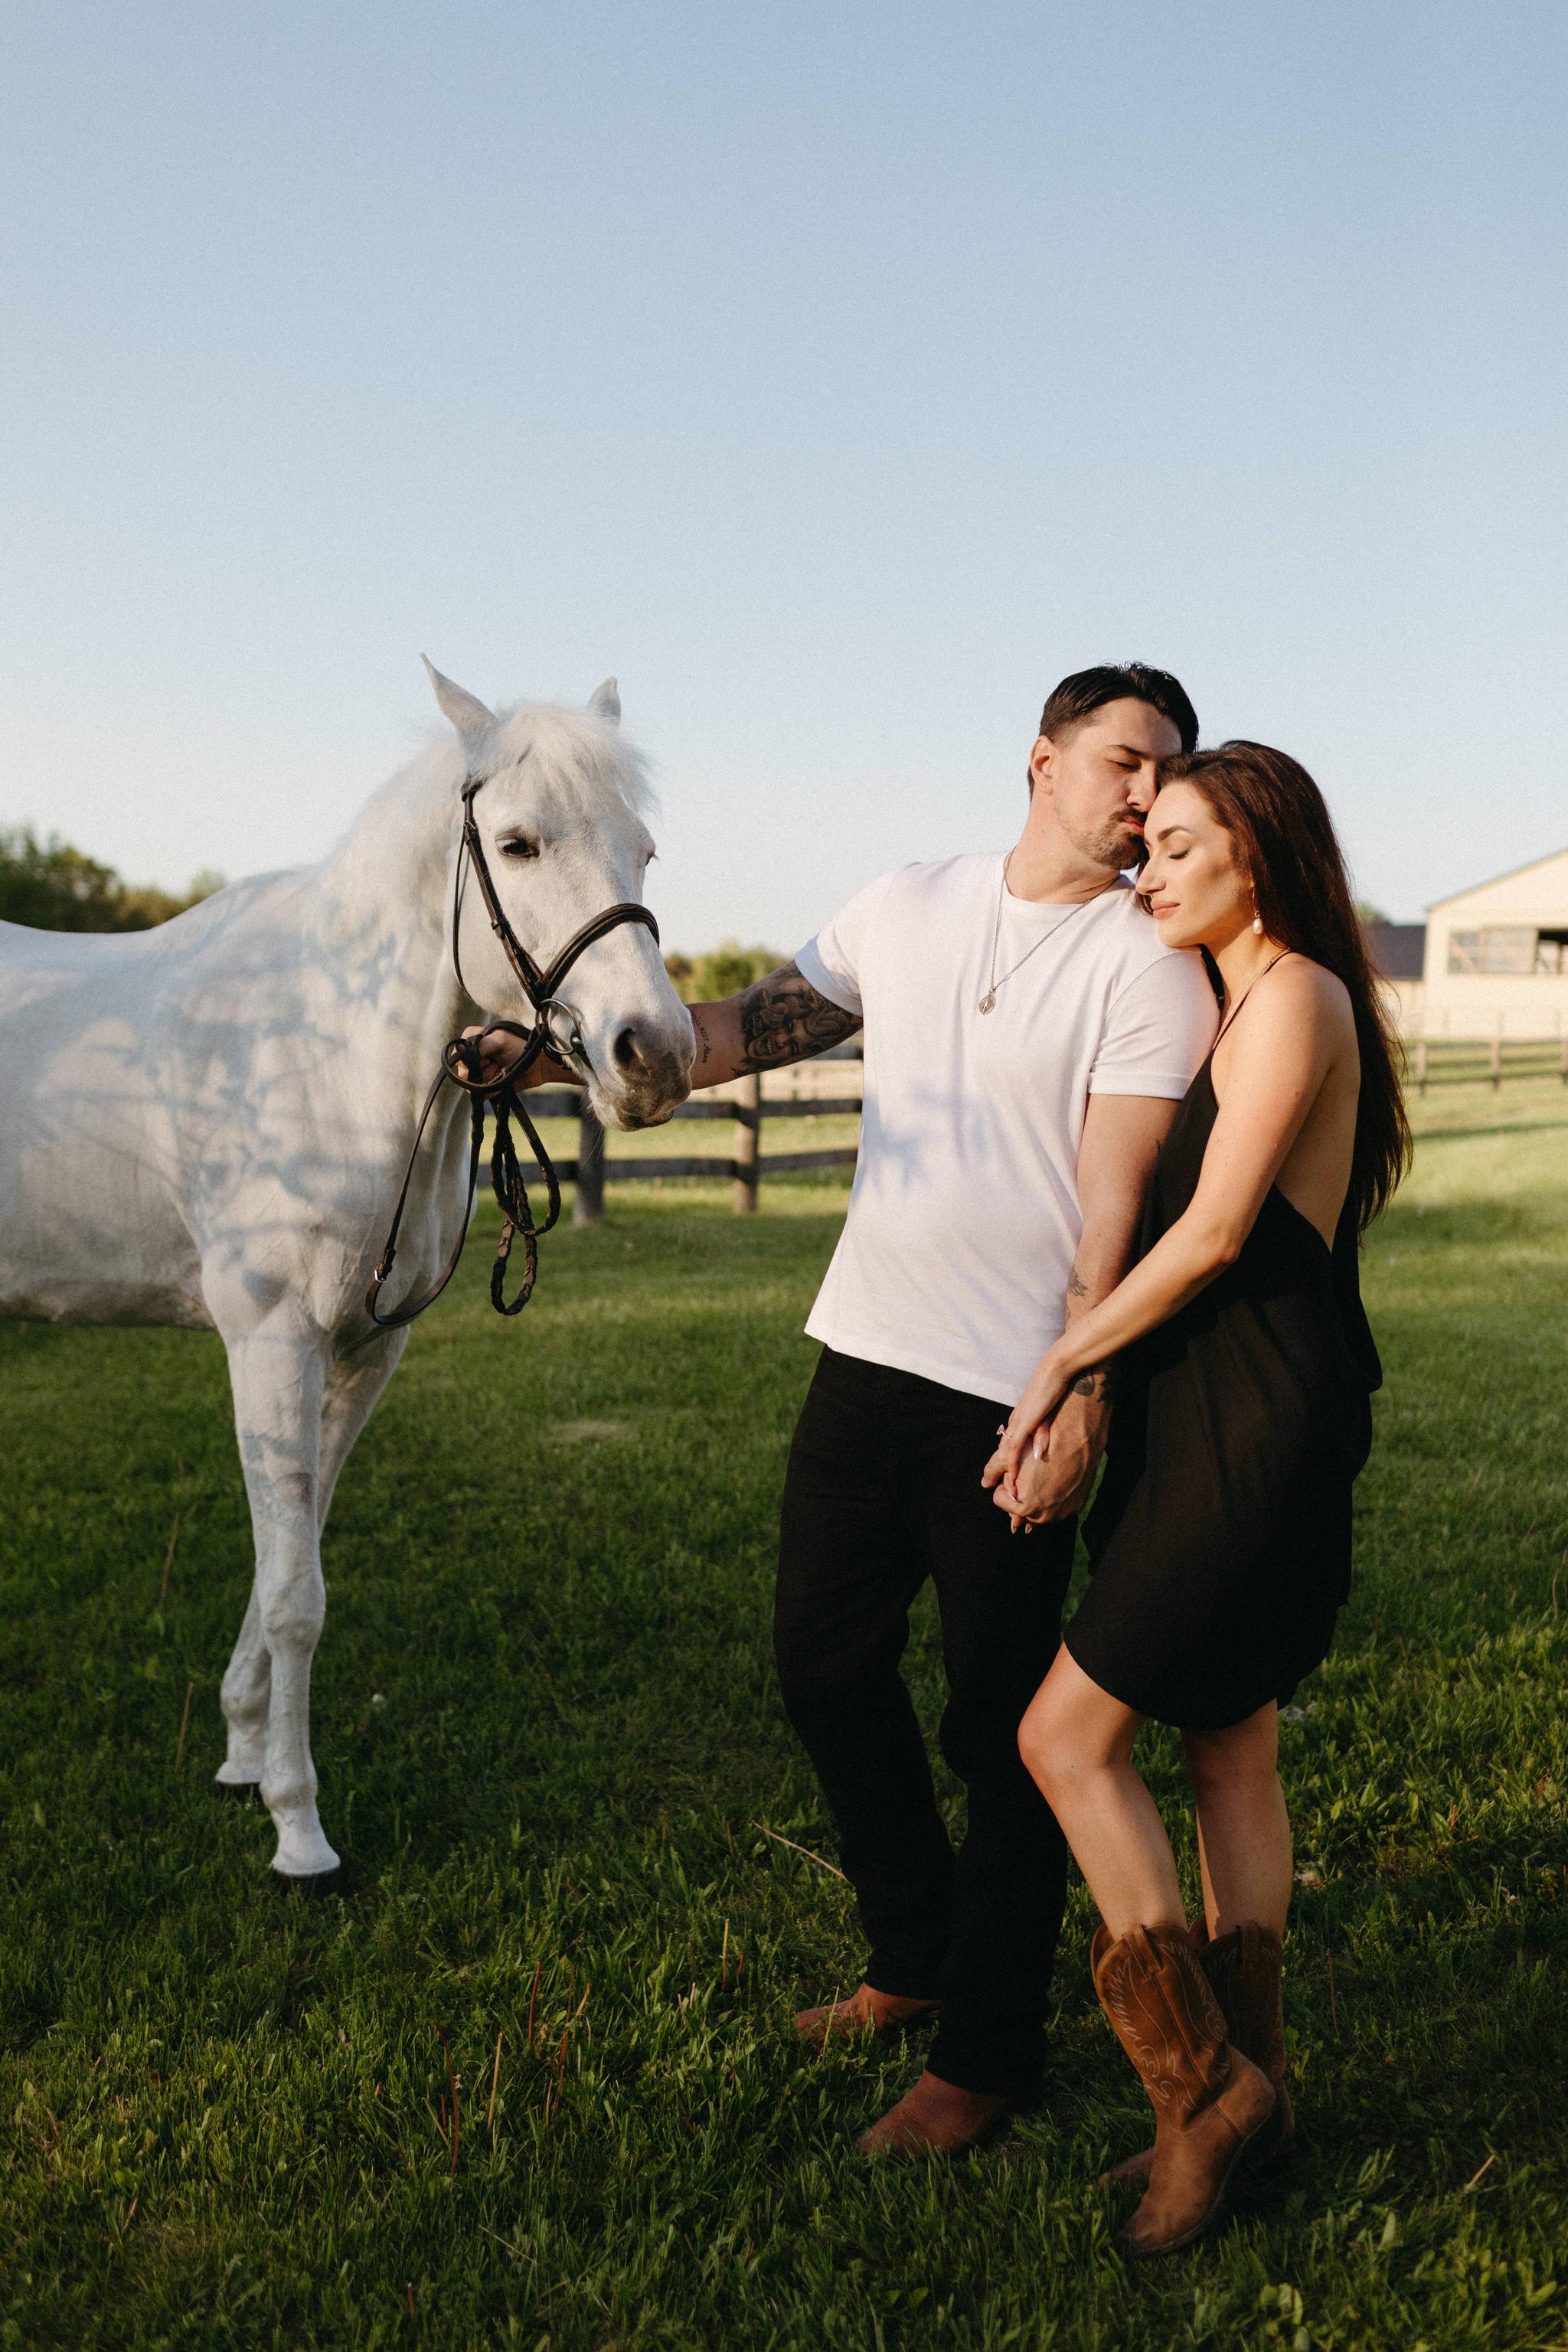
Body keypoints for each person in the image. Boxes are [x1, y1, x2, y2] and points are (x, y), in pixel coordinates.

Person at [673, 665, 1219, 2154]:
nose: (1143, 793)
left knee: (1000, 1737)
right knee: (819, 1664)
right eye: (1121, 759)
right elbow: (743, 1031)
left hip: (1010, 1395)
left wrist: (1078, 1393)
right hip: (862, 1358)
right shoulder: (905, 904)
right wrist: (622, 1054)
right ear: (1038, 760)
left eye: (1166, 772)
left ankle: (984, 2059)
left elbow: (1109, 1216)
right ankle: (910, 1958)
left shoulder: (1147, 966)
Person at [984, 741, 1408, 2252]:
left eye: (1173, 844)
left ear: (1262, 849)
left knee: (1062, 1734)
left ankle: (1197, 2095)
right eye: (1142, 846)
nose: (1145, 868)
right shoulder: (1237, 1006)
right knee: (1228, 1743)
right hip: (1207, 1408)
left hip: (1259, 1420)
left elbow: (1219, 1235)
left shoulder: (1294, 992)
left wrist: (1053, 1374)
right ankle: (1253, 2102)